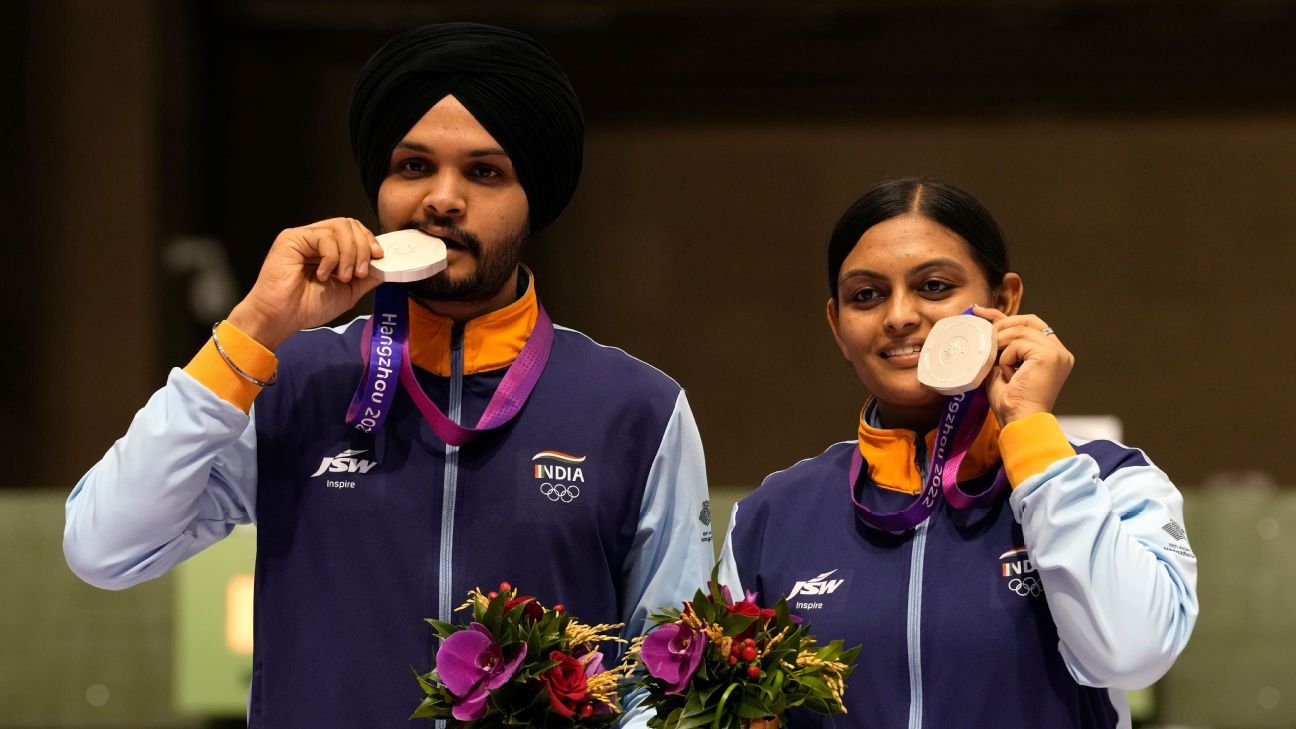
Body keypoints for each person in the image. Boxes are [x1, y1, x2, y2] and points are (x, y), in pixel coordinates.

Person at [64, 23, 714, 728]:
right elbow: (104, 546)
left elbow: (665, 682)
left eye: (485, 172)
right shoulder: (294, 379)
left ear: (536, 202)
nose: (442, 198)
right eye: (413, 166)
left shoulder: (636, 409)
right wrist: (252, 327)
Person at [718, 177, 1198, 728]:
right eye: (866, 295)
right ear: (837, 326)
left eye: (934, 286)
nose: (899, 315)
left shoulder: (1111, 480)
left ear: (1005, 300)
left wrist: (1032, 435)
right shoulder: (775, 514)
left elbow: (1133, 655)